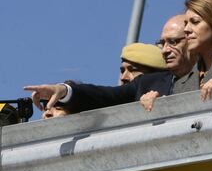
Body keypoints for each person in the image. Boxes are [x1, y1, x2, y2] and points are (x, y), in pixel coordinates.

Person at [24, 15, 196, 113]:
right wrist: (64, 91)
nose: (165, 50)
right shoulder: (146, 84)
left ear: (192, 39)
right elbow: (104, 96)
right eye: (162, 43)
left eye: (173, 42)